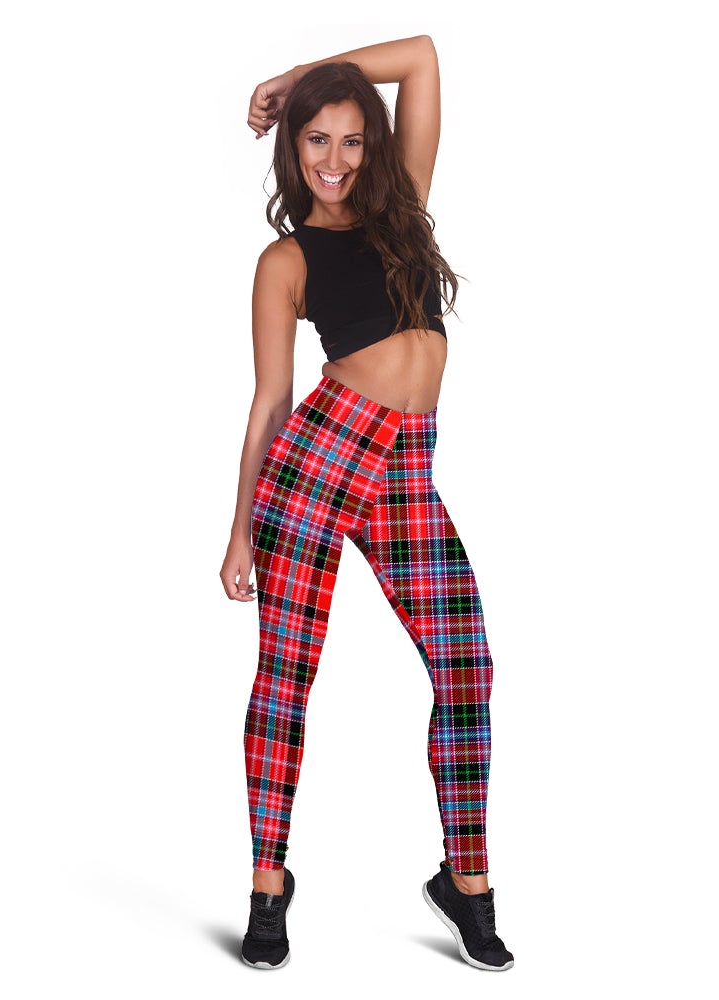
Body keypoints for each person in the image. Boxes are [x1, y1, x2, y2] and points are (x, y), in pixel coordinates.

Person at [219, 35, 513, 972]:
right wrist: (239, 531)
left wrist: (293, 77)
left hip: (405, 472)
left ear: (373, 146)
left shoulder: (403, 214)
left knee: (466, 667)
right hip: (317, 460)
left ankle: (466, 882)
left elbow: (421, 57)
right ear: (292, 148)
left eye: (351, 140)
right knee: (287, 678)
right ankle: (268, 884)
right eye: (316, 138)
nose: (335, 159)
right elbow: (270, 402)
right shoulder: (286, 258)